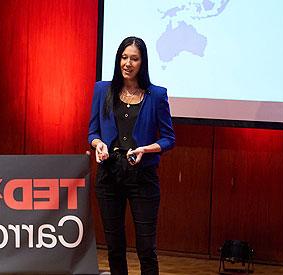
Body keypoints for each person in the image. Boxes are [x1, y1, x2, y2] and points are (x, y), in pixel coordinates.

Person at [87, 36, 175, 275]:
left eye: (134, 59)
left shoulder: (156, 95)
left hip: (142, 177)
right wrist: (99, 145)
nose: (127, 63)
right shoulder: (102, 89)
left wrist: (145, 149)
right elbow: (92, 131)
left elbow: (169, 138)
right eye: (124, 58)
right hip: (109, 175)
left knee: (146, 249)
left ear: (142, 62)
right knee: (115, 248)